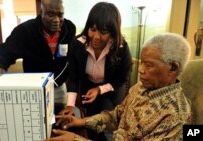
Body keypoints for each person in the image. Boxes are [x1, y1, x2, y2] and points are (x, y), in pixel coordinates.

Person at [46, 33, 193, 141]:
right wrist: (82, 122)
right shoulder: (140, 87)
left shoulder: (176, 115)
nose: (141, 70)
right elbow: (116, 115)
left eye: (149, 65)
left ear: (173, 68)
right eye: (141, 62)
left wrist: (75, 140)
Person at [0, 0, 76, 113]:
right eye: (51, 15)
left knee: (58, 123)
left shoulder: (70, 28)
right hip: (34, 89)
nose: (56, 20)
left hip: (58, 88)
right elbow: (7, 49)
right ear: (41, 12)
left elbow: (71, 59)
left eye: (60, 15)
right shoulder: (25, 30)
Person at [58, 2, 132, 141]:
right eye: (92, 29)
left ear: (113, 31)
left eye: (103, 32)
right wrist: (70, 105)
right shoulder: (77, 44)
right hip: (88, 89)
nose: (96, 37)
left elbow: (122, 78)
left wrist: (99, 89)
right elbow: (73, 77)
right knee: (90, 124)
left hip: (112, 91)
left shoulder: (121, 48)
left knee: (108, 126)